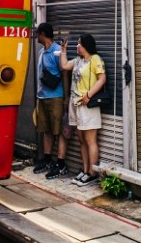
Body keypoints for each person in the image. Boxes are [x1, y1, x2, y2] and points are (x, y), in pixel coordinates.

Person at [60, 32, 106, 186]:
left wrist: (89, 95)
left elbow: (102, 79)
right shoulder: (78, 61)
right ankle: (85, 169)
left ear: (86, 45)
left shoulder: (95, 59)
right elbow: (64, 66)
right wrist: (63, 50)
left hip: (88, 104)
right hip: (76, 104)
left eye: (79, 43)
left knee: (90, 139)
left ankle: (92, 173)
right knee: (81, 139)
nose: (77, 46)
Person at [32, 23, 69, 178]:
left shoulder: (56, 52)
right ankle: (47, 159)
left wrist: (66, 97)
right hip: (42, 97)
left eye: (37, 34)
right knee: (46, 130)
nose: (36, 37)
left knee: (59, 131)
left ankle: (61, 163)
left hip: (55, 97)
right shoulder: (42, 51)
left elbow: (65, 74)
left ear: (42, 34)